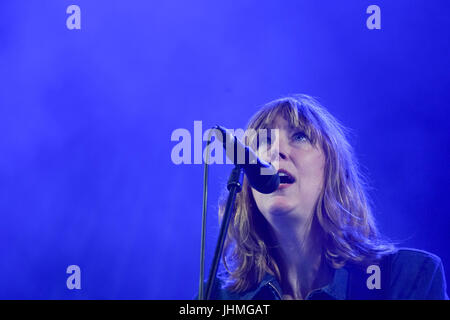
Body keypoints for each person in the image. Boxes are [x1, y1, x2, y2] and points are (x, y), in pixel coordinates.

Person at [207, 94, 448, 300]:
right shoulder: (218, 296)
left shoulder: (406, 278)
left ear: (333, 172)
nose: (275, 151)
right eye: (263, 141)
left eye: (300, 136)